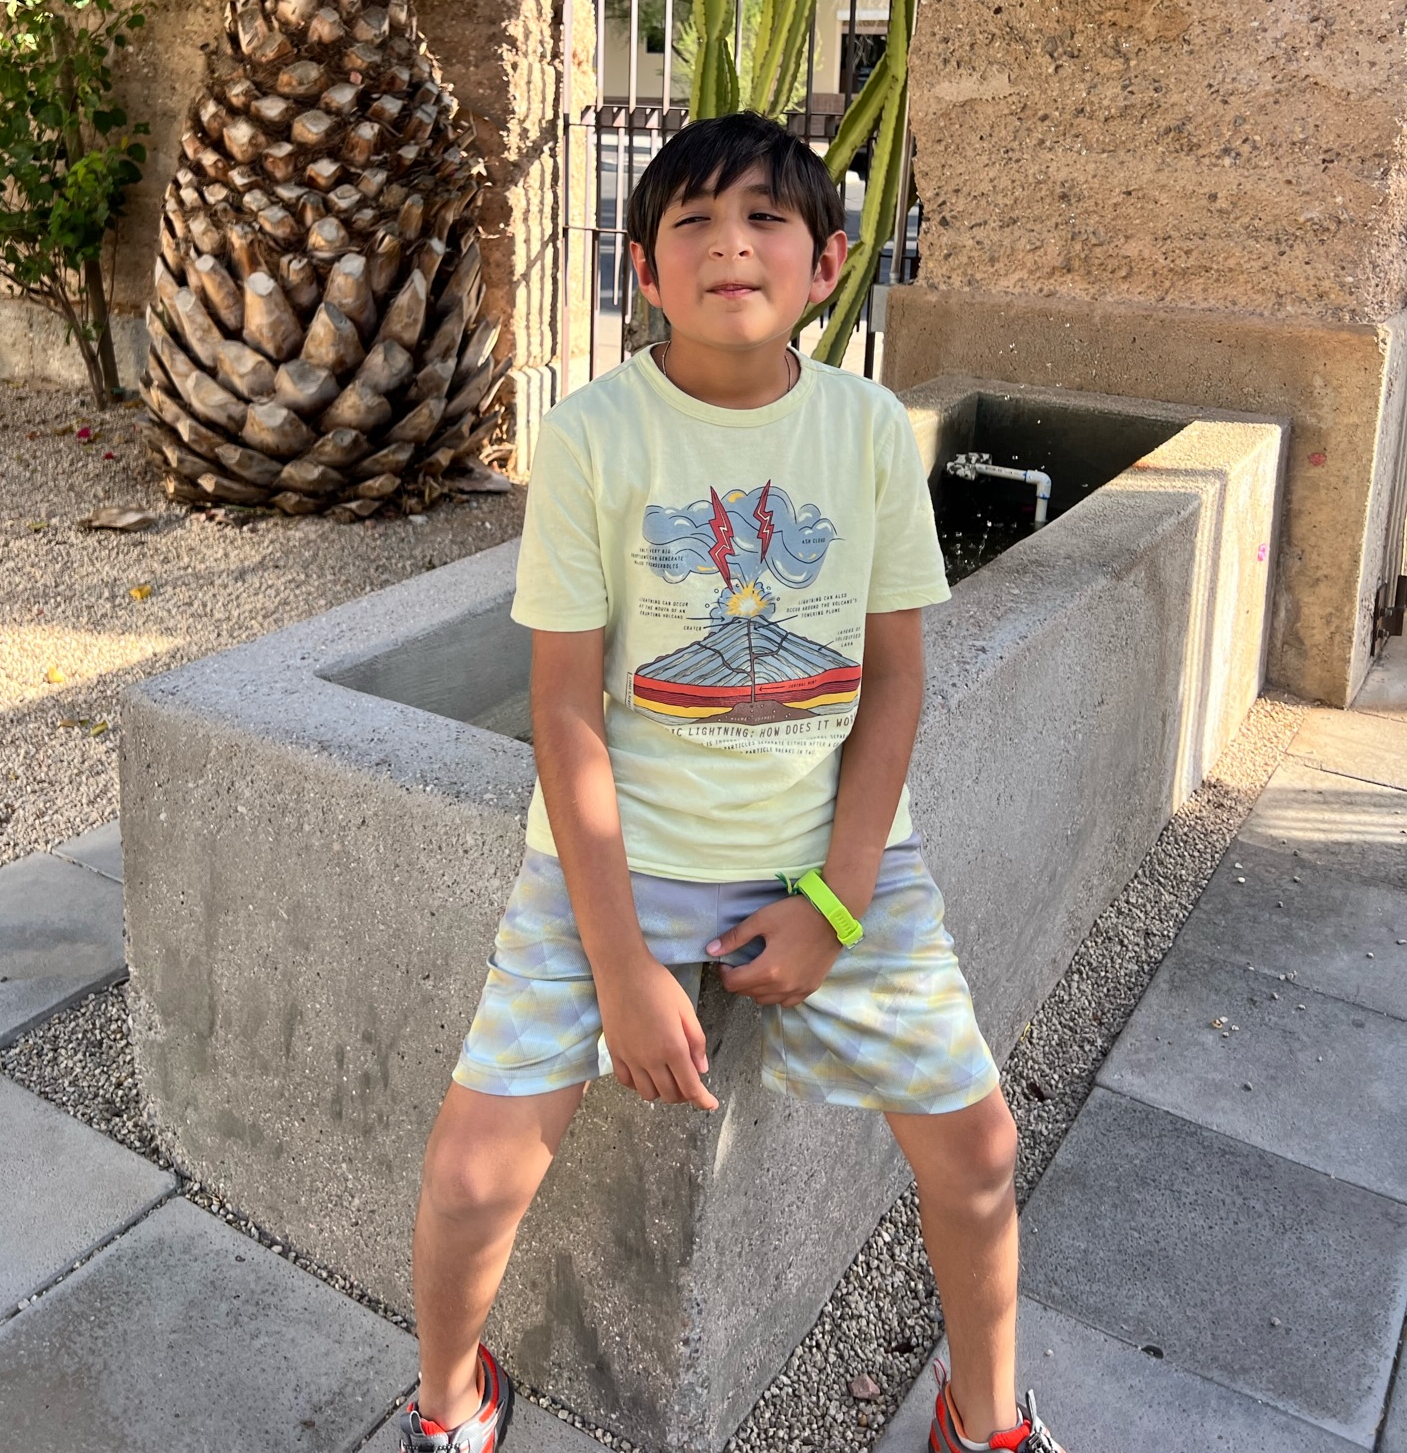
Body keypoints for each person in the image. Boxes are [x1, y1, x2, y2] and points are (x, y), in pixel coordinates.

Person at [403, 112, 1066, 1453]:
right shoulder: (595, 437)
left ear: (828, 262)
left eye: (765, 218)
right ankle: (449, 1402)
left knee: (982, 1153)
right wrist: (625, 963)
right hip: (620, 861)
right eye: (691, 224)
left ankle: (984, 1421)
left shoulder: (871, 432)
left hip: (825, 848)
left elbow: (894, 683)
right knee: (474, 1177)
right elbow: (562, 709)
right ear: (643, 272)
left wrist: (838, 896)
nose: (729, 245)